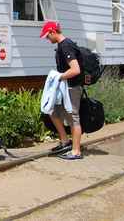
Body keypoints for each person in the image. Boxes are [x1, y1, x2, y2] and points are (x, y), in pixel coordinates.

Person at [40, 21, 84, 160]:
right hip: (63, 87)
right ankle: (65, 142)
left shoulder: (66, 46)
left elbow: (76, 70)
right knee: (52, 111)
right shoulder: (61, 46)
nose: (47, 40)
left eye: (48, 36)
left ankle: (76, 151)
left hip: (71, 87)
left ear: (53, 31)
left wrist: (59, 77)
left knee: (73, 118)